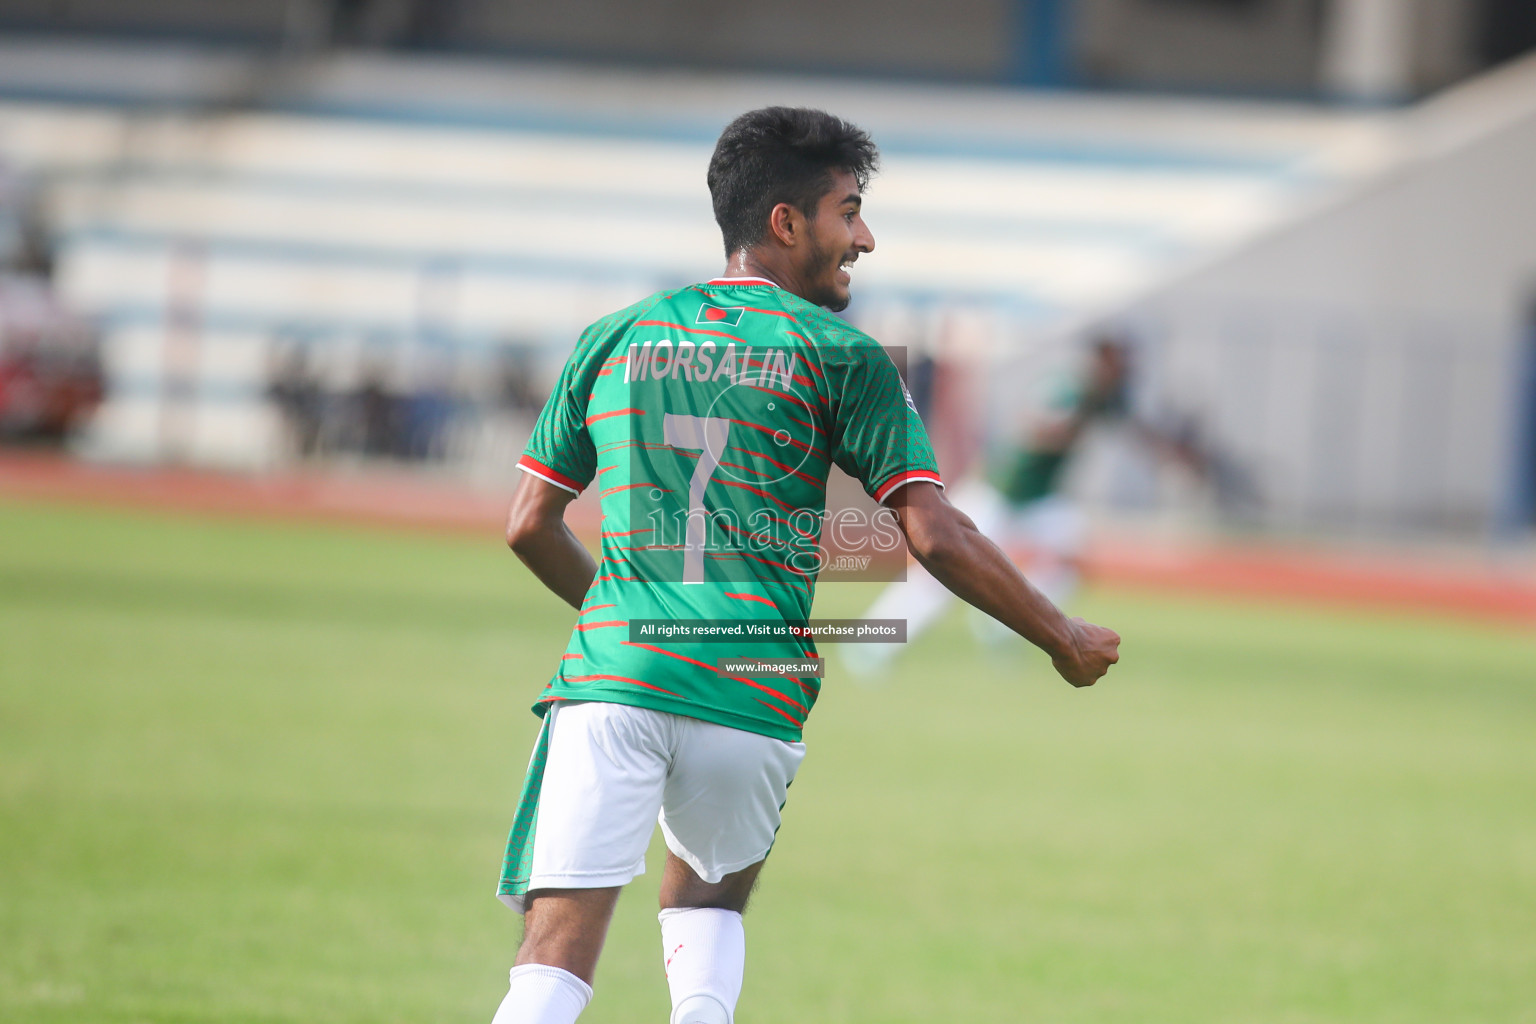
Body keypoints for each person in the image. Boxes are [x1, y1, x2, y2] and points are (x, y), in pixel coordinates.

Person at [493, 107, 1121, 1024]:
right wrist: (1061, 635)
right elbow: (934, 533)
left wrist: (635, 615)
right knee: (707, 910)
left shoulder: (615, 335)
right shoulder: (847, 359)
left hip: (616, 674)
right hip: (752, 691)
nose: (864, 237)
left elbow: (527, 525)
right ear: (786, 222)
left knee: (553, 962)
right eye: (848, 210)